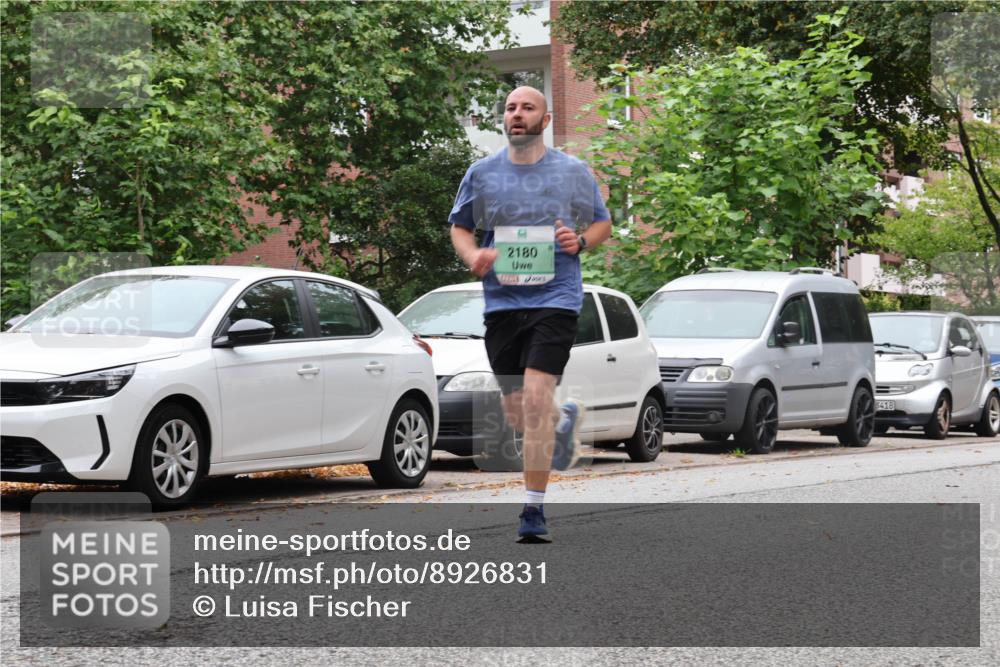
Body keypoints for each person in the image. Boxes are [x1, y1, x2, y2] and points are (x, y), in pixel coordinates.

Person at [448, 86, 612, 542]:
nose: (517, 115)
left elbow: (602, 223)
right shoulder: (482, 173)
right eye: (510, 108)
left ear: (546, 119)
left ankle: (533, 510)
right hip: (502, 303)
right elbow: (460, 227)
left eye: (527, 108)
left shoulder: (572, 172)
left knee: (536, 400)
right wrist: (472, 256)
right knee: (520, 412)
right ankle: (561, 421)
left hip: (556, 299)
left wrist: (579, 242)